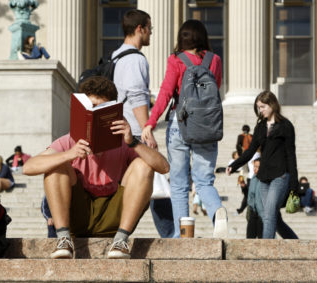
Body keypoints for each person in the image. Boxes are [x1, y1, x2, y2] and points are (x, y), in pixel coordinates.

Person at [23, 76, 169, 259]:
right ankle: (63, 239)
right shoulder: (69, 140)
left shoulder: (124, 143)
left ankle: (121, 240)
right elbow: (28, 168)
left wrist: (133, 142)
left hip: (113, 214)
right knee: (55, 164)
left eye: (102, 109)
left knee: (143, 165)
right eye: (91, 107)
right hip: (77, 214)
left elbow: (163, 167)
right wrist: (69, 154)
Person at [141, 19, 227, 238]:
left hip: (180, 123)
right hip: (207, 126)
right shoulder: (214, 60)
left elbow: (166, 93)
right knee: (204, 181)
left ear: (182, 38)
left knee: (179, 184)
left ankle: (181, 235)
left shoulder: (176, 60)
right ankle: (218, 212)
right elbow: (214, 90)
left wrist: (151, 123)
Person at [112, 9, 173, 238]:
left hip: (118, 133)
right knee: (155, 186)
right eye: (150, 29)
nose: (151, 34)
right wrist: (147, 131)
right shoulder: (135, 59)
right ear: (140, 29)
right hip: (133, 134)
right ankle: (172, 238)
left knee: (143, 189)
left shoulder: (115, 56)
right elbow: (137, 97)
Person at [227, 90, 298, 239]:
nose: (260, 110)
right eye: (258, 107)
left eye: (263, 106)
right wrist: (234, 165)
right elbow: (250, 151)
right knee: (272, 218)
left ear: (272, 104)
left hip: (280, 176)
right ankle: (295, 242)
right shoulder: (260, 127)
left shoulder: (285, 126)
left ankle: (266, 251)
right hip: (264, 178)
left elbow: (291, 156)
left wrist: (294, 184)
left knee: (269, 215)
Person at [246, 158, 264, 238]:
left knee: (262, 237)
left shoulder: (266, 179)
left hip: (262, 213)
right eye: (254, 166)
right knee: (250, 237)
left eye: (258, 167)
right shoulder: (253, 178)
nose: (255, 169)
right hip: (253, 211)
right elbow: (250, 194)